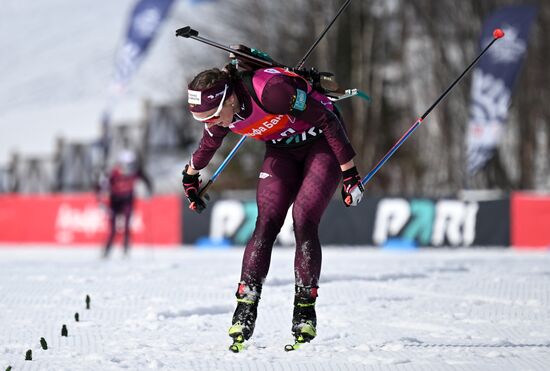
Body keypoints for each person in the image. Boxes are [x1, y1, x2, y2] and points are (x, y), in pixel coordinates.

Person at [181, 64, 364, 348]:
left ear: (229, 98)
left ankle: (305, 309)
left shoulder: (270, 93)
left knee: (303, 219)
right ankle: (245, 307)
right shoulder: (220, 115)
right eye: (203, 118)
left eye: (214, 115)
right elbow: (208, 145)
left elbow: (328, 121)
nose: (212, 123)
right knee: (266, 222)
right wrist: (190, 175)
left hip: (320, 144)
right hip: (281, 150)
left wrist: (350, 173)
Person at [98, 149, 153, 258]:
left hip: (128, 200)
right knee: (113, 228)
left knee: (127, 226)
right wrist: (102, 197)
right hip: (114, 201)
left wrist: (148, 191)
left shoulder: (135, 172)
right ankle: (106, 250)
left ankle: (126, 249)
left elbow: (147, 180)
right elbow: (102, 185)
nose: (129, 167)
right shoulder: (113, 172)